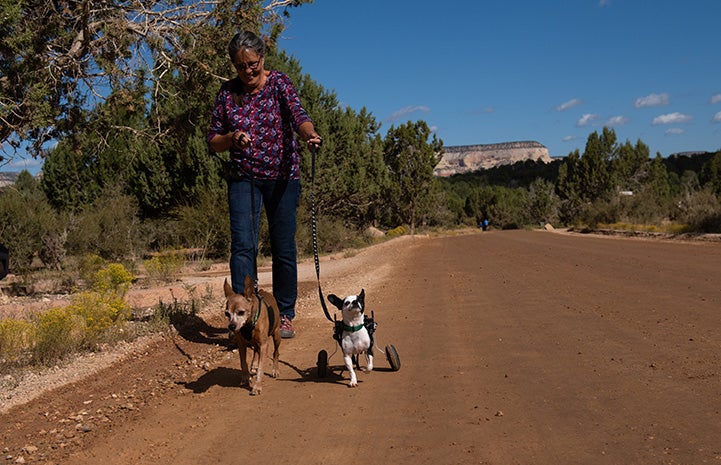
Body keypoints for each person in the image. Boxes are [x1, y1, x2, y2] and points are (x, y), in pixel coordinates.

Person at [208, 31, 321, 339]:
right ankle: (246, 315)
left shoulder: (279, 83)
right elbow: (214, 140)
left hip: (283, 177)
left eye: (252, 64)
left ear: (262, 58)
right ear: (234, 65)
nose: (247, 71)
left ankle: (283, 314)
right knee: (243, 245)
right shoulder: (227, 94)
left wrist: (309, 135)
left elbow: (299, 115)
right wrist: (232, 138)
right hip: (244, 178)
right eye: (240, 66)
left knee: (283, 246)